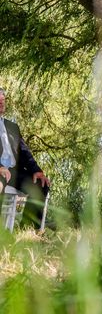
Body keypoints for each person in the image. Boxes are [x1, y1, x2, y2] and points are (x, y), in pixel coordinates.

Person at [0, 88, 51, 228]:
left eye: (3, 101)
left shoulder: (12, 127)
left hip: (15, 172)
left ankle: (28, 228)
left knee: (41, 184)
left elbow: (24, 151)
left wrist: (36, 170)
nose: (1, 104)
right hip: (0, 172)